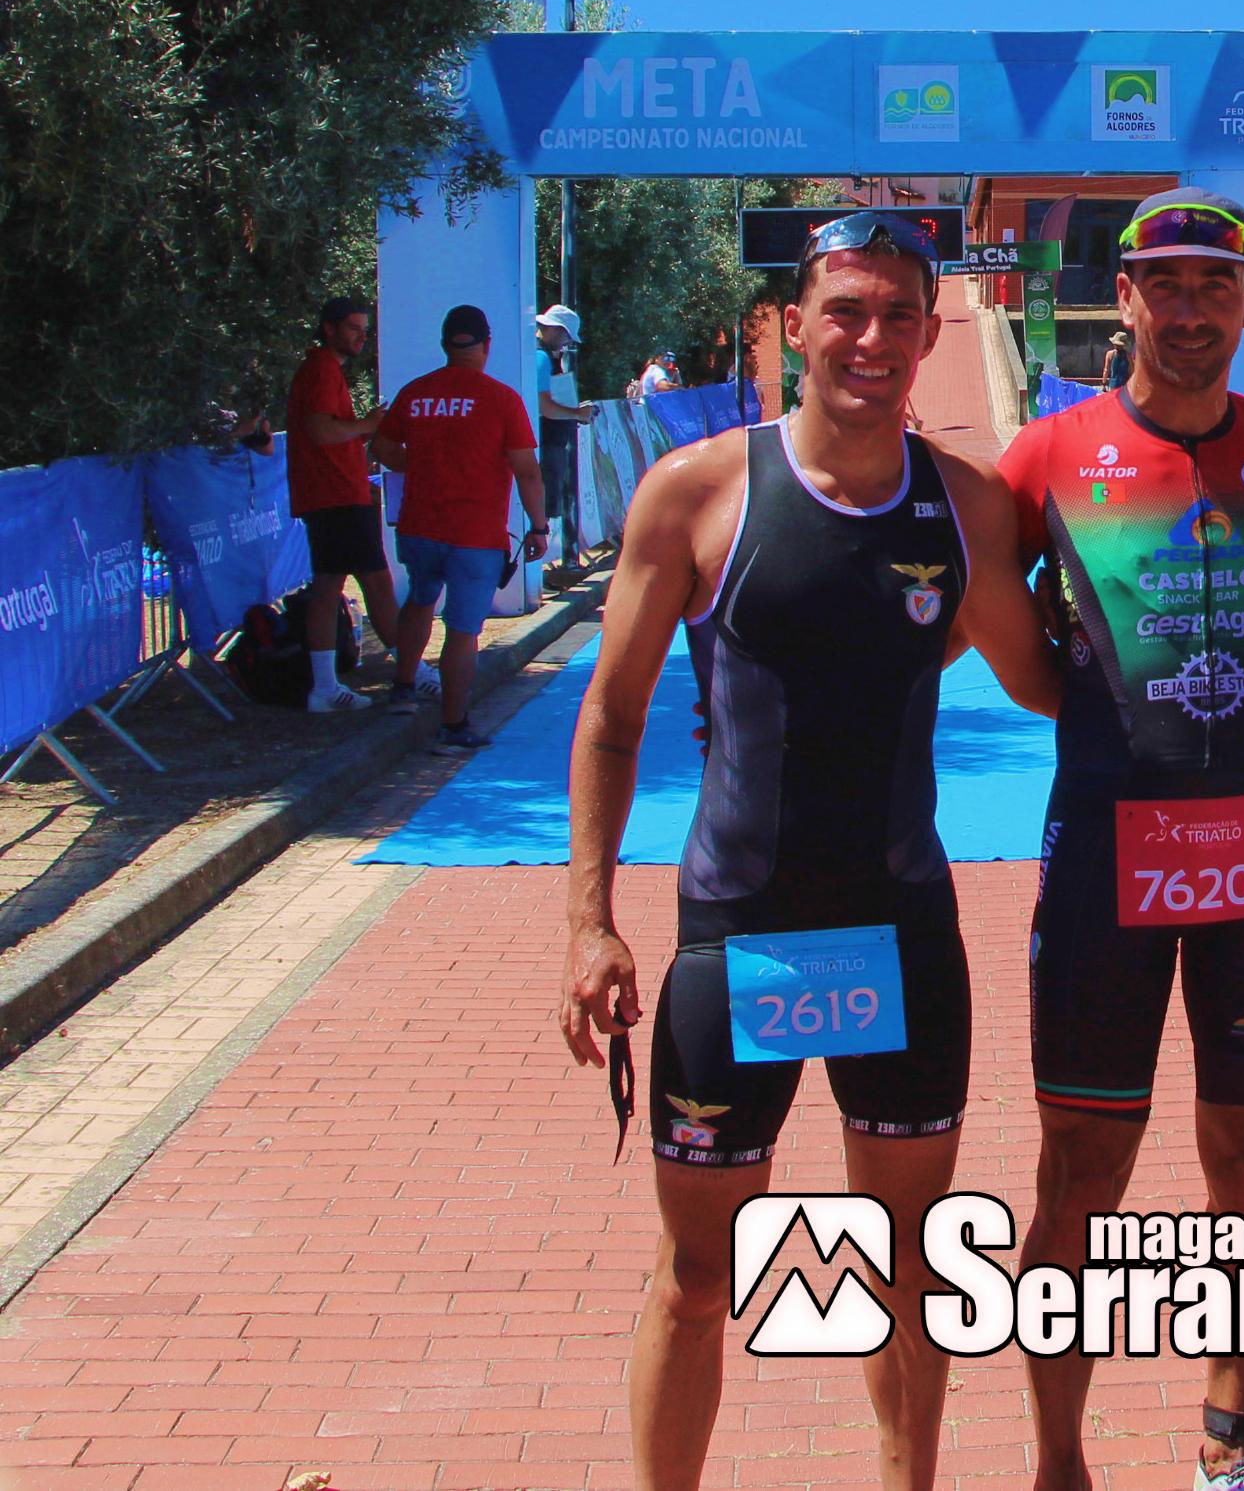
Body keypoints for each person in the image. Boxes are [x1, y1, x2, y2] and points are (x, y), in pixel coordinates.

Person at [557, 212, 1060, 1491]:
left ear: (931, 332)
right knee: (697, 1275)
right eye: (846, 309)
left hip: (902, 934)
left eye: (899, 313)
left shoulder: (964, 506)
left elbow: (1049, 681)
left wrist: (1213, 692)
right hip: (741, 938)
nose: (871, 337)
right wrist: (590, 922)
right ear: (795, 325)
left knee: (909, 1266)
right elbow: (610, 717)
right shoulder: (697, 492)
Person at [998, 187, 1244, 1491]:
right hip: (1103, 851)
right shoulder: (1046, 455)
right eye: (1163, 282)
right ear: (1122, 296)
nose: (1188, 308)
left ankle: (1230, 1449)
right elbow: (979, 613)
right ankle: (1060, 1464)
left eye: (1213, 285)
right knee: (1081, 1169)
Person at [370, 306, 547, 749]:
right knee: (464, 630)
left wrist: (418, 463)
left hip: (419, 527)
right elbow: (527, 471)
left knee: (419, 601)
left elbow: (382, 448)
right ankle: (453, 724)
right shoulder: (502, 399)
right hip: (475, 534)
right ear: (487, 345)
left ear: (445, 344)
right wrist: (539, 526)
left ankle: (404, 687)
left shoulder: (416, 393)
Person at [284, 296, 435, 713]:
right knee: (375, 584)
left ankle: (327, 685)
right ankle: (412, 672)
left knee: (331, 587)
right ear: (329, 327)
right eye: (353, 328)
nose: (361, 337)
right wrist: (369, 424)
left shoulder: (324, 369)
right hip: (335, 496)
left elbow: (331, 430)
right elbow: (321, 431)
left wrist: (362, 429)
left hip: (336, 493)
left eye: (364, 330)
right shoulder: (320, 368)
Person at [536, 304, 598, 568]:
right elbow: (543, 406)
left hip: (549, 442)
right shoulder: (541, 358)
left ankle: (537, 570)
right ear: (554, 329)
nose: (567, 343)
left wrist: (575, 411)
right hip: (546, 443)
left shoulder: (543, 357)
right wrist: (577, 413)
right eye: (566, 336)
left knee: (546, 508)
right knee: (543, 508)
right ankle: (535, 571)